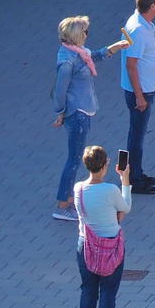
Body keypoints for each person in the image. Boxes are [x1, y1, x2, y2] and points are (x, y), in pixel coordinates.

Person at [51, 16, 130, 222]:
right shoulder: (68, 62)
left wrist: (114, 47)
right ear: (77, 35)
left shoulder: (78, 53)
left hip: (82, 111)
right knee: (74, 160)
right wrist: (60, 113)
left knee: (75, 159)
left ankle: (67, 200)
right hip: (77, 114)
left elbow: (93, 56)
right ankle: (61, 206)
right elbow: (60, 91)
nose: (87, 35)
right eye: (85, 32)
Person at [71, 142, 132, 308]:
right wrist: (125, 178)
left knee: (88, 291)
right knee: (108, 292)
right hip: (110, 246)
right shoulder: (110, 189)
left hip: (85, 244)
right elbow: (125, 206)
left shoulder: (78, 188)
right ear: (105, 165)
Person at [118, 0, 155, 196]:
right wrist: (139, 96)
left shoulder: (145, 24)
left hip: (145, 89)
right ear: (152, 5)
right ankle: (132, 179)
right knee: (136, 136)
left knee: (136, 134)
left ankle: (135, 172)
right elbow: (131, 65)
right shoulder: (137, 29)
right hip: (141, 92)